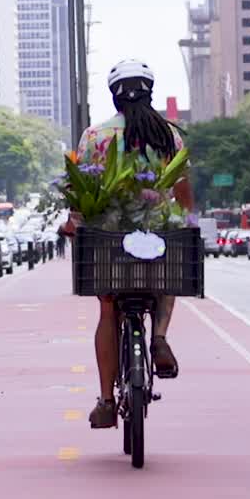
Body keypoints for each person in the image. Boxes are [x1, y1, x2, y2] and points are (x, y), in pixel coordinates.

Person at [69, 59, 194, 430]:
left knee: (109, 313)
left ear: (114, 97)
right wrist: (184, 221)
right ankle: (158, 337)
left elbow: (80, 190)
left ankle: (107, 400)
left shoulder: (95, 137)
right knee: (168, 274)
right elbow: (183, 190)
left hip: (109, 242)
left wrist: (72, 222)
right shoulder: (170, 136)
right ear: (150, 92)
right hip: (156, 238)